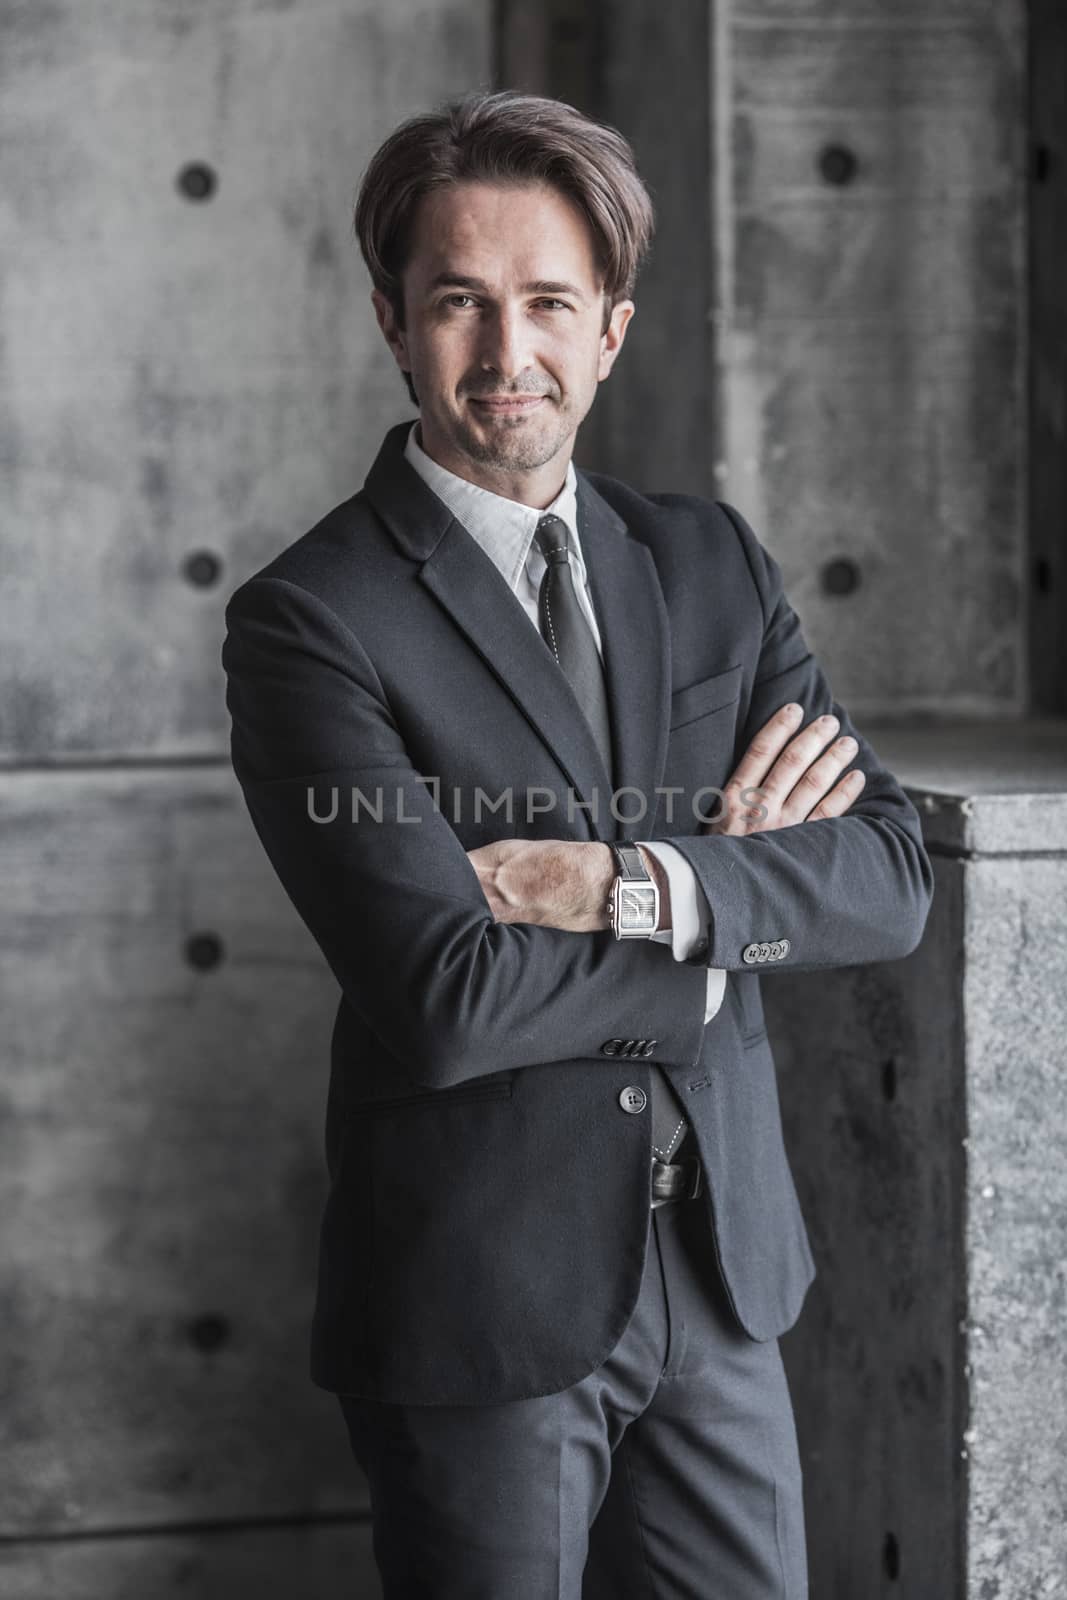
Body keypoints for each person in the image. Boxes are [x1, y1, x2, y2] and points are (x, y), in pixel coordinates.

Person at [221, 89, 933, 1599]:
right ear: (391, 320)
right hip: (482, 1302)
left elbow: (886, 877)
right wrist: (723, 943)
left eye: (550, 303)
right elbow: (448, 991)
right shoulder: (311, 621)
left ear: (610, 328)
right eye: (460, 303)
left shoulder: (709, 564)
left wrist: (635, 888)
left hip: (725, 1280)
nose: (506, 354)